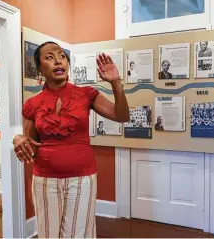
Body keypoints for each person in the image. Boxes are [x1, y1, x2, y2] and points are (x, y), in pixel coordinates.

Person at [12, 41, 129, 238]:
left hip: (82, 179)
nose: (58, 61)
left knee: (79, 233)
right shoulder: (32, 104)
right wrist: (17, 138)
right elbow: (31, 147)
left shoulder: (86, 94)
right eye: (49, 57)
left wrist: (116, 82)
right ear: (40, 68)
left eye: (62, 56)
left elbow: (122, 116)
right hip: (45, 180)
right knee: (48, 233)